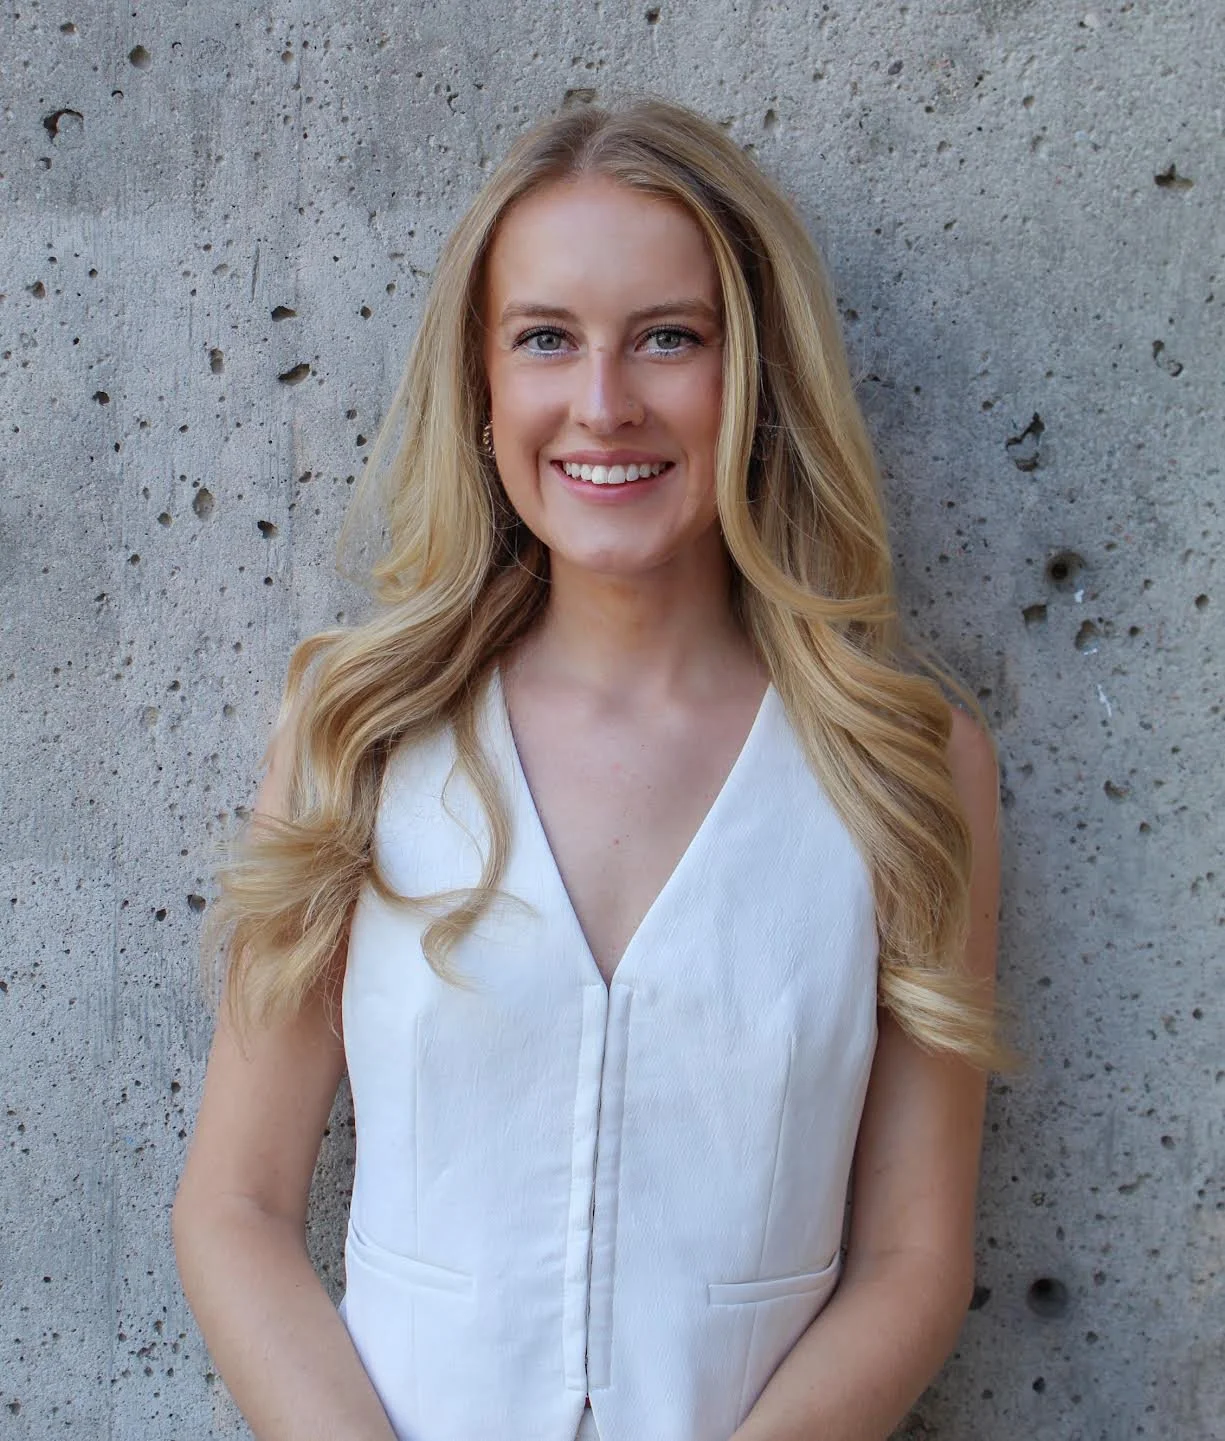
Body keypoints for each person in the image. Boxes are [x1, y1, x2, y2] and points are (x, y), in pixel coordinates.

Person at [173, 97, 1007, 1441]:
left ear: (758, 379)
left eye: (670, 337)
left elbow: (913, 1258)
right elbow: (236, 1208)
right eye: (546, 338)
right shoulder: (360, 732)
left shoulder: (905, 766)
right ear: (484, 383)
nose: (604, 405)